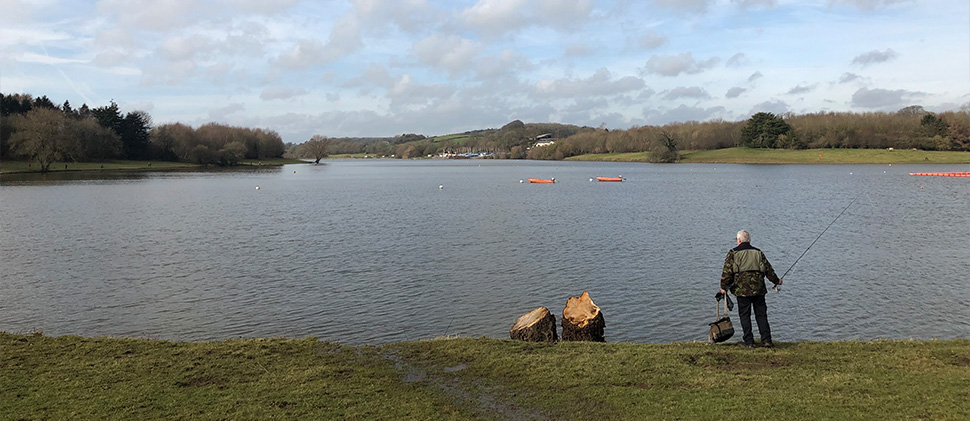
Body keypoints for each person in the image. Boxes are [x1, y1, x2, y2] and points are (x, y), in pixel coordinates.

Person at [720, 230, 782, 348]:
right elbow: (768, 270)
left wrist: (723, 287)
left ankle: (749, 342)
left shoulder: (733, 253)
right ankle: (767, 340)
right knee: (761, 315)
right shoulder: (758, 252)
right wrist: (776, 281)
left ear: (738, 240)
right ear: (749, 240)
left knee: (745, 315)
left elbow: (726, 273)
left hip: (741, 291)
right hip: (759, 289)